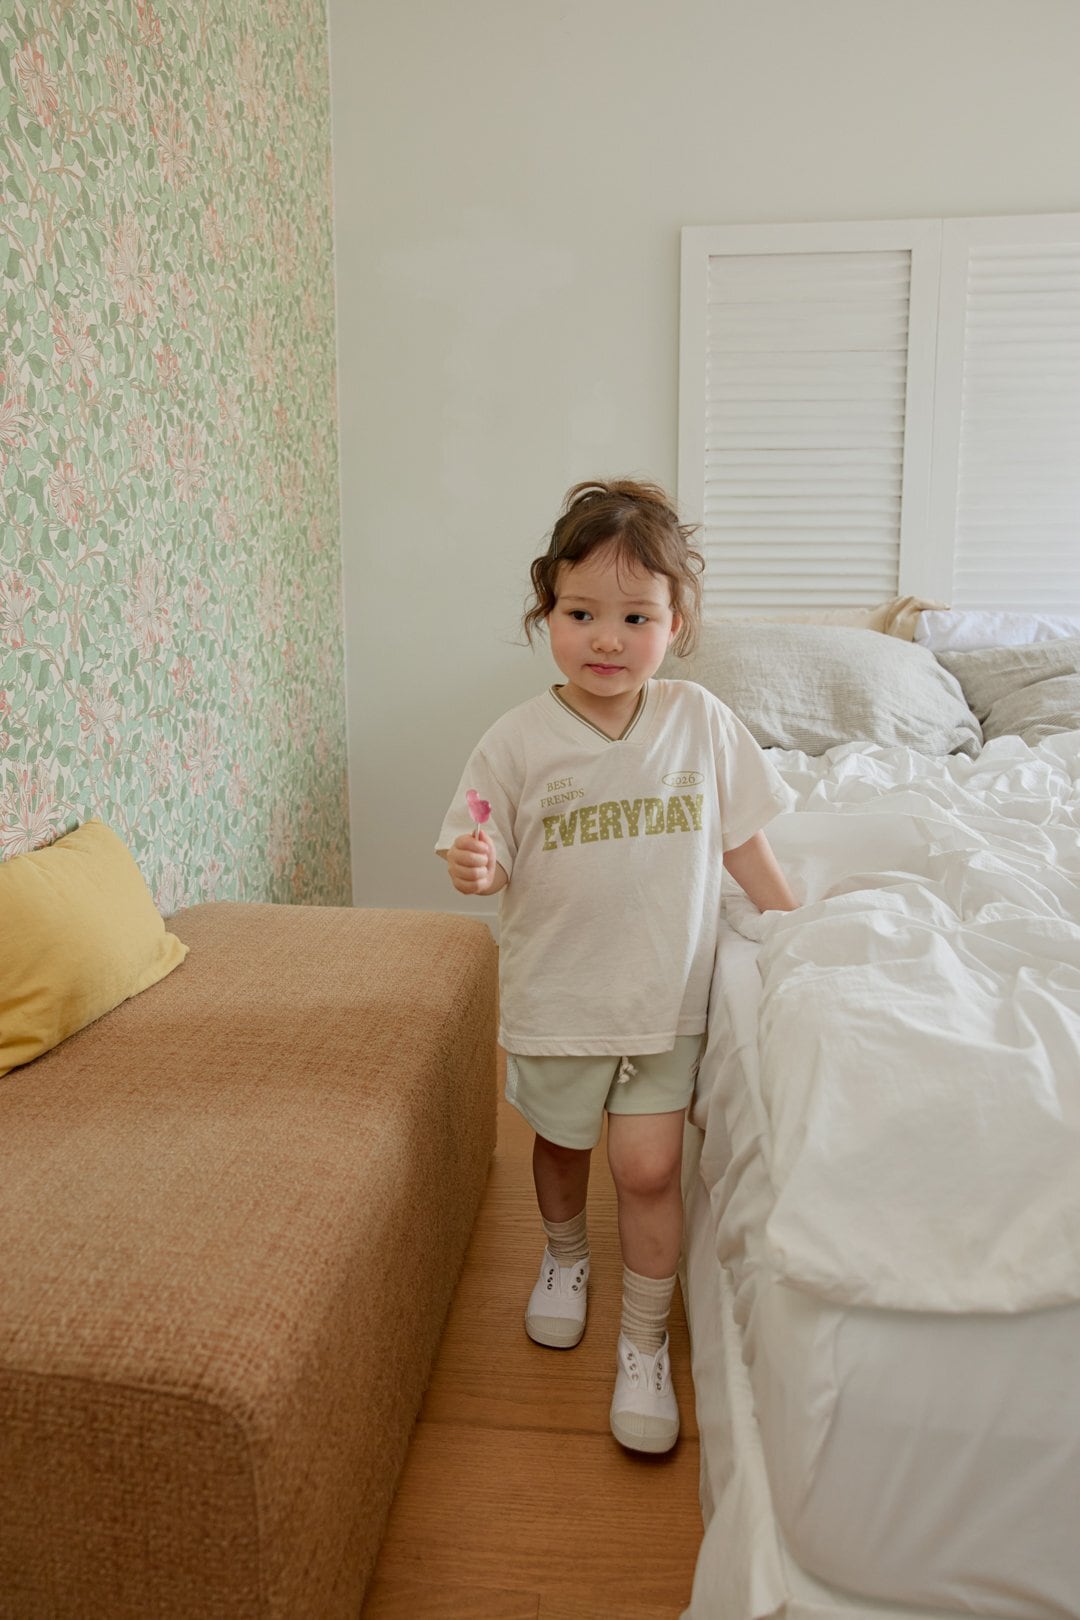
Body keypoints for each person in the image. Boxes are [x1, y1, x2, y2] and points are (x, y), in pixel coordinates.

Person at [436, 478, 797, 1454]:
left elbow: (743, 839)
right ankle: (564, 1257)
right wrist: (478, 864)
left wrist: (793, 924)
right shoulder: (516, 741)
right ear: (546, 612)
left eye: (636, 617)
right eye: (581, 613)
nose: (607, 638)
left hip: (661, 997)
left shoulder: (700, 721)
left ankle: (642, 1343)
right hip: (559, 995)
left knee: (649, 1168)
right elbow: (481, 845)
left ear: (677, 624)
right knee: (560, 1148)